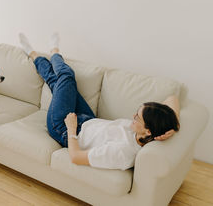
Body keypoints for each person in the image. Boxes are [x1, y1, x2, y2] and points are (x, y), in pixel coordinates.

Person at [18, 32, 180, 170]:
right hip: (89, 120)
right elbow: (172, 98)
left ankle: (51, 52)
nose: (133, 116)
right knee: (56, 82)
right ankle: (38, 54)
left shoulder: (122, 152)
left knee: (65, 77)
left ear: (148, 131)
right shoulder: (144, 133)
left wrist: (72, 129)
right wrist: (174, 124)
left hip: (64, 128)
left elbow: (76, 157)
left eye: (137, 117)